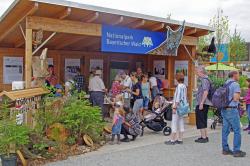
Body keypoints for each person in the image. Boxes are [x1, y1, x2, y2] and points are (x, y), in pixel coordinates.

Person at [221, 71, 246, 157]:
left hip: (224, 109)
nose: (239, 76)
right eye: (238, 75)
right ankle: (237, 151)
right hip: (232, 110)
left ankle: (225, 149)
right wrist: (240, 99)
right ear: (234, 75)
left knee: (225, 130)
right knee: (237, 130)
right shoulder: (235, 84)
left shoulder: (226, 83)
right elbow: (235, 98)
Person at [165, 73, 187, 145]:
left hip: (177, 107)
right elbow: (184, 97)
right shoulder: (184, 86)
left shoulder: (178, 87)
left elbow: (177, 98)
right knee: (181, 122)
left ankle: (172, 140)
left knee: (174, 123)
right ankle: (180, 139)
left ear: (177, 79)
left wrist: (174, 107)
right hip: (183, 107)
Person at [194, 66, 211, 143]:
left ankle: (204, 137)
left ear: (201, 72)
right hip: (204, 103)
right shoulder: (206, 79)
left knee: (200, 120)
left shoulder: (204, 80)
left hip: (202, 103)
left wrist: (201, 103)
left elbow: (205, 92)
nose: (196, 73)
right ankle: (204, 136)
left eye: (197, 72)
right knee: (203, 119)